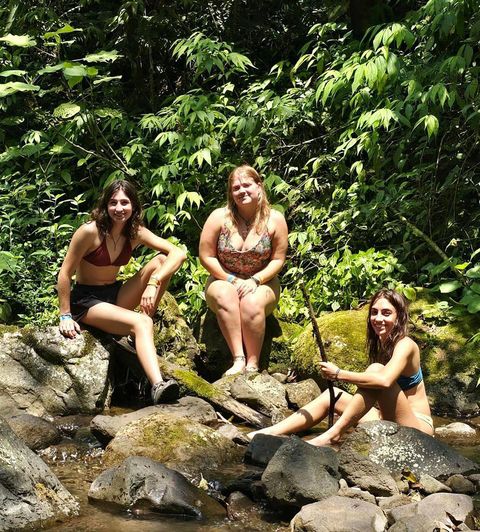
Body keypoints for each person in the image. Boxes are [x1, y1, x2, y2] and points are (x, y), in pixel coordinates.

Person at [57, 180, 186, 404]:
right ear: (105, 206)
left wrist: (153, 282)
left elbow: (178, 253)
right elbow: (65, 274)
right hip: (87, 301)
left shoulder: (135, 232)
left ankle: (141, 327)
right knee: (142, 323)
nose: (119, 208)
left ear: (134, 207)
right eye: (113, 203)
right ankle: (158, 385)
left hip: (114, 294)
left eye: (125, 203)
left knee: (161, 262)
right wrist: (65, 315)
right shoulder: (89, 232)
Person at [248, 288, 434, 444]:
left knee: (376, 371)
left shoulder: (406, 344)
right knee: (333, 397)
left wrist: (338, 373)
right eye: (374, 312)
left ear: (399, 317)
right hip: (386, 418)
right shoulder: (381, 346)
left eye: (386, 313)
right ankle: (268, 433)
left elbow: (384, 381)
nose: (378, 318)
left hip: (418, 427)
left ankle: (333, 434)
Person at [199, 165, 288, 375]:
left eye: (247, 185)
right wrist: (231, 279)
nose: (242, 191)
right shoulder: (218, 217)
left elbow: (278, 260)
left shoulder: (275, 219)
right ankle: (238, 359)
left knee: (251, 302)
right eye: (236, 188)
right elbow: (206, 256)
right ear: (231, 193)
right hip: (223, 278)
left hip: (262, 281)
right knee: (224, 294)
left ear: (259, 186)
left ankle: (253, 364)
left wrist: (255, 280)